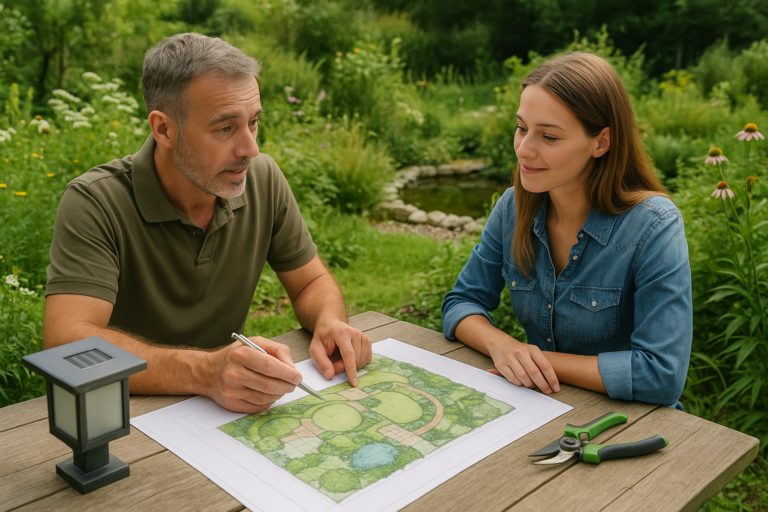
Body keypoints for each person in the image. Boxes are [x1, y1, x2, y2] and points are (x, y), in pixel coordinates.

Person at [43, 32, 372, 413]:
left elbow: (311, 281)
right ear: (163, 129)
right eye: (225, 128)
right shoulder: (96, 201)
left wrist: (329, 321)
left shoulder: (262, 178)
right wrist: (204, 372)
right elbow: (69, 343)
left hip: (225, 414)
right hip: (123, 417)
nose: (251, 148)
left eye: (254, 122)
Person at [442, 52, 692, 408]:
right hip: (538, 408)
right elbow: (461, 303)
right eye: (521, 128)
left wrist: (534, 362)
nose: (524, 149)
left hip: (632, 424)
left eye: (549, 137)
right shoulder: (513, 208)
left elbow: (661, 375)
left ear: (601, 142)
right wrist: (503, 346)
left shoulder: (653, 225)